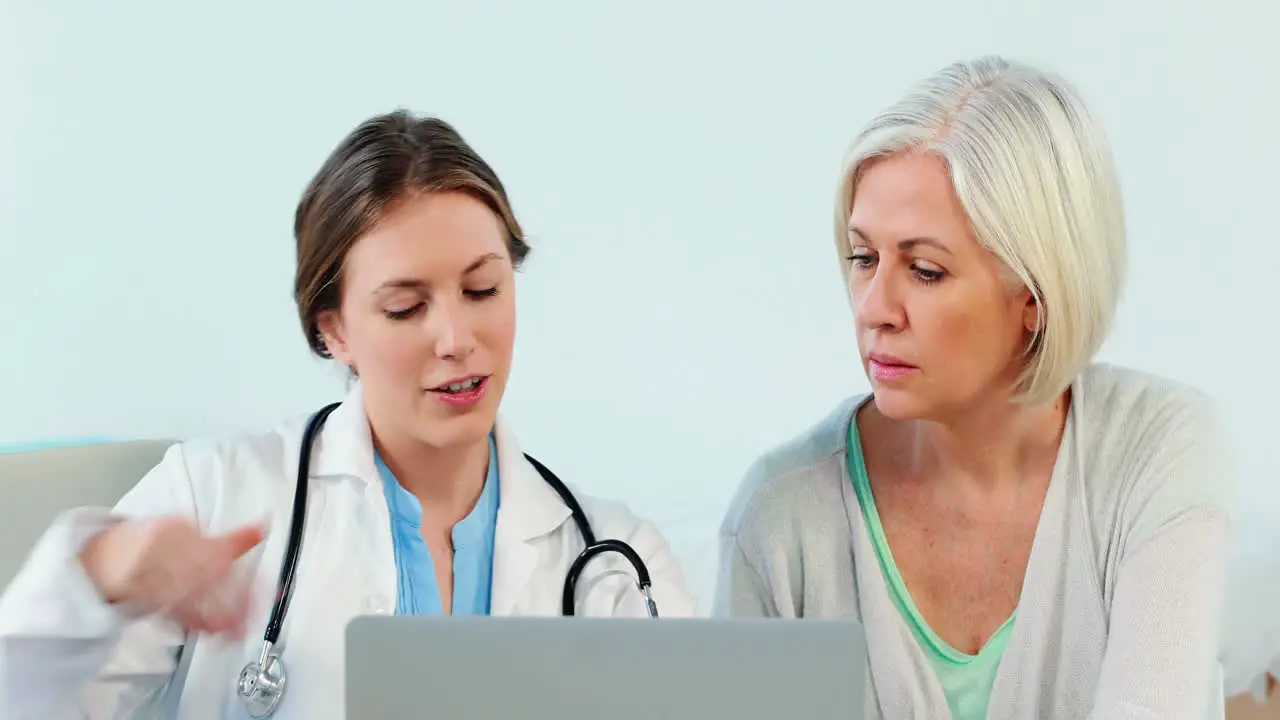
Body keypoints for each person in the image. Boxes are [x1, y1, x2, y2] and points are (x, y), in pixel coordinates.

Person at [0, 110, 698, 719]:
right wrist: (98, 576)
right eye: (406, 307)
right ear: (333, 331)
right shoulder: (215, 497)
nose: (456, 338)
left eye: (482, 289)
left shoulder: (617, 562)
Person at [715, 55, 1234, 719]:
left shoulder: (1158, 455)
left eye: (925, 270)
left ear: (1036, 295)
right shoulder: (780, 519)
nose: (875, 307)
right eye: (863, 258)